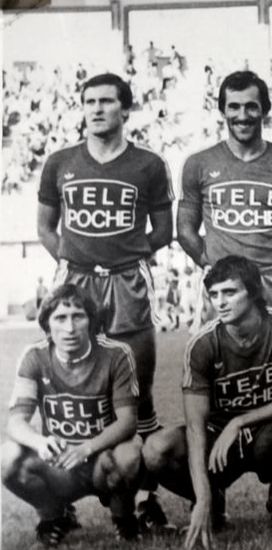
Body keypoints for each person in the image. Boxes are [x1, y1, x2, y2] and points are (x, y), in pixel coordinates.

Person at [36, 72, 173, 527]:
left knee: (139, 391)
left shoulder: (149, 165)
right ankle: (58, 504)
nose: (96, 109)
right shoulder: (59, 162)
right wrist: (74, 261)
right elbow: (45, 227)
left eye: (107, 101)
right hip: (75, 283)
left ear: (126, 109)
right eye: (89, 101)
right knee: (63, 389)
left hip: (127, 284)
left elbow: (164, 230)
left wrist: (126, 259)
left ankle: (144, 498)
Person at [141, 256, 272, 548]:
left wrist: (240, 421)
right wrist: (203, 498)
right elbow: (195, 428)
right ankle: (212, 501)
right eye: (214, 294)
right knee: (156, 449)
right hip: (216, 442)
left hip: (265, 434)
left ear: (254, 292)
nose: (220, 302)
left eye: (230, 292)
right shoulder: (202, 343)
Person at [2, 285, 143, 545]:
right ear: (47, 325)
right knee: (6, 457)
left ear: (91, 320)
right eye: (60, 318)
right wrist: (40, 443)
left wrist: (86, 448)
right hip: (61, 463)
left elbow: (127, 422)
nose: (69, 328)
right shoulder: (35, 356)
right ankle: (54, 518)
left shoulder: (116, 354)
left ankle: (124, 519)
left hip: (104, 458)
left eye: (78, 316)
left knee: (130, 454)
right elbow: (16, 422)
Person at [178, 70, 272, 325]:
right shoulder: (198, 163)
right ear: (222, 111)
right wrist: (214, 265)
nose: (243, 116)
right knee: (214, 361)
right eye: (234, 107)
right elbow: (185, 229)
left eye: (251, 107)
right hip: (221, 284)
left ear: (264, 110)